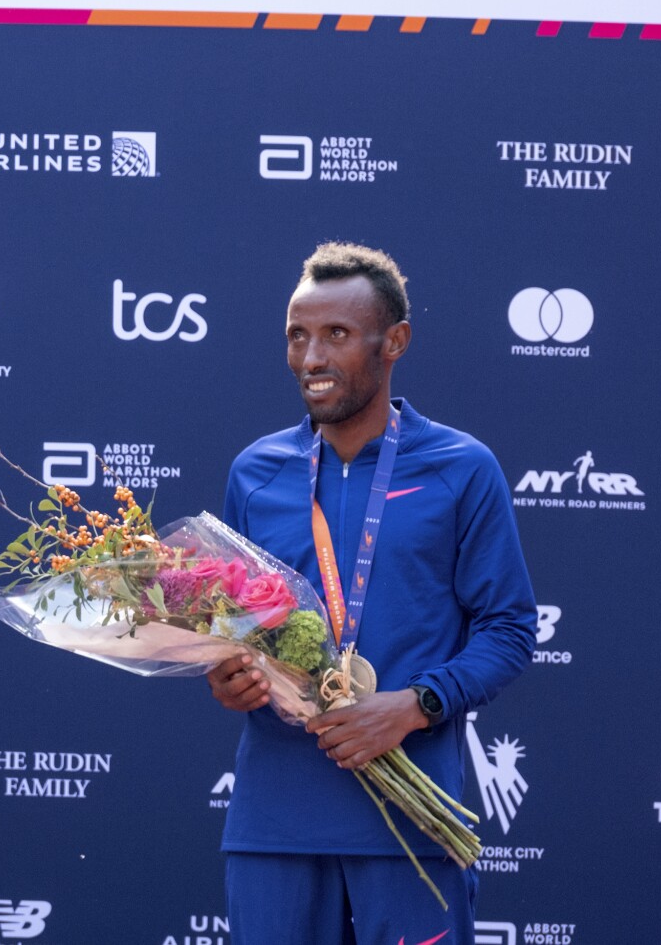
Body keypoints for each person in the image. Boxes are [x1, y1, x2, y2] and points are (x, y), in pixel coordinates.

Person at [207, 243, 536, 945]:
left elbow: (508, 628)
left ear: (395, 342)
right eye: (297, 335)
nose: (311, 357)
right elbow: (232, 628)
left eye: (337, 334)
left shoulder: (461, 468)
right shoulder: (256, 473)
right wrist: (228, 675)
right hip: (275, 827)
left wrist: (416, 705)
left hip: (413, 828)